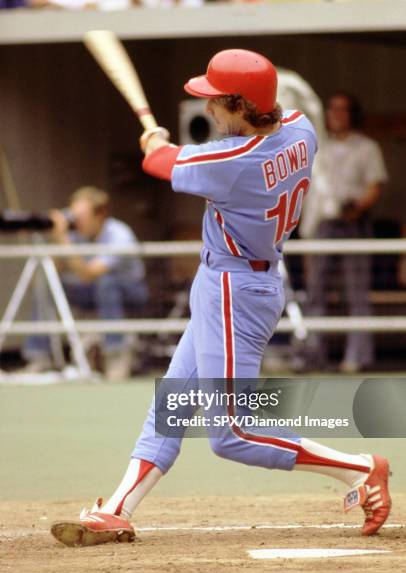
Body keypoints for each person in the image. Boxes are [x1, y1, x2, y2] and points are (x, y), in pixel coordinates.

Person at [51, 50, 391, 546]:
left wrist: (155, 140)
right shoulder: (300, 129)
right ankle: (119, 508)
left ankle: (361, 469)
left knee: (232, 435)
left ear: (240, 104)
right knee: (173, 402)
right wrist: (165, 147)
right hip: (230, 280)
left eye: (216, 101)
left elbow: (157, 161)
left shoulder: (234, 162)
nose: (209, 109)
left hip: (237, 289)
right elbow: (201, 153)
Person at [23, 186, 148, 380]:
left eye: (81, 216)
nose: (76, 222)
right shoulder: (74, 235)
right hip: (92, 290)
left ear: (100, 215)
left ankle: (115, 354)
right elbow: (55, 272)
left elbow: (88, 274)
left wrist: (64, 240)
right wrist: (56, 238)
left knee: (107, 283)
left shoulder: (120, 234)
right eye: (73, 216)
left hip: (129, 291)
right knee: (47, 283)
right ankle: (39, 356)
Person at [305, 93, 388, 373]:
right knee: (316, 290)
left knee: (357, 290)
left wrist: (358, 207)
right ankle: (313, 353)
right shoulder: (319, 148)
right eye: (332, 109)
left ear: (353, 114)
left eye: (342, 110)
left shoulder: (366, 148)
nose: (336, 115)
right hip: (325, 224)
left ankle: (357, 356)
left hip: (354, 221)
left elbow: (374, 185)